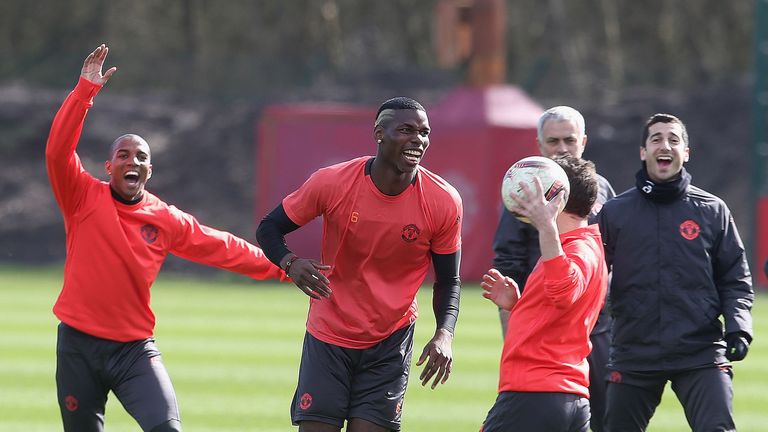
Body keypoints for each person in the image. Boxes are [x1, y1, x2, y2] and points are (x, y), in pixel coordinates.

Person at [46, 45, 286, 432]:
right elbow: (58, 152)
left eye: (141, 157)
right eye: (123, 155)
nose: (133, 161)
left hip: (132, 350)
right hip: (78, 346)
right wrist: (84, 92)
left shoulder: (164, 218)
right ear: (108, 167)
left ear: (149, 171)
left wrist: (286, 267)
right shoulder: (81, 196)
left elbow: (224, 248)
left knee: (167, 428)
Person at [256, 96, 462, 432]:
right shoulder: (333, 182)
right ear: (379, 134)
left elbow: (449, 280)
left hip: (391, 340)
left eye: (424, 132)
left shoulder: (444, 201)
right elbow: (269, 228)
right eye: (406, 130)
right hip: (329, 334)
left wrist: (444, 334)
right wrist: (290, 262)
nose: (418, 140)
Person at [597, 113, 754, 431]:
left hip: (700, 351)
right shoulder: (615, 212)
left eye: (673, 139)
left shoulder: (712, 210)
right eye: (656, 139)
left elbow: (735, 279)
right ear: (643, 152)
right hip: (634, 350)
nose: (665, 146)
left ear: (686, 152)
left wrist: (739, 328)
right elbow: (593, 276)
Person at [491, 105, 615, 431]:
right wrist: (515, 307)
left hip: (540, 385)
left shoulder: (576, 247)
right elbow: (554, 297)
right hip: (562, 379)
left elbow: (563, 290)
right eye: (553, 141)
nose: (562, 149)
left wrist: (546, 226)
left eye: (569, 140)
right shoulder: (583, 244)